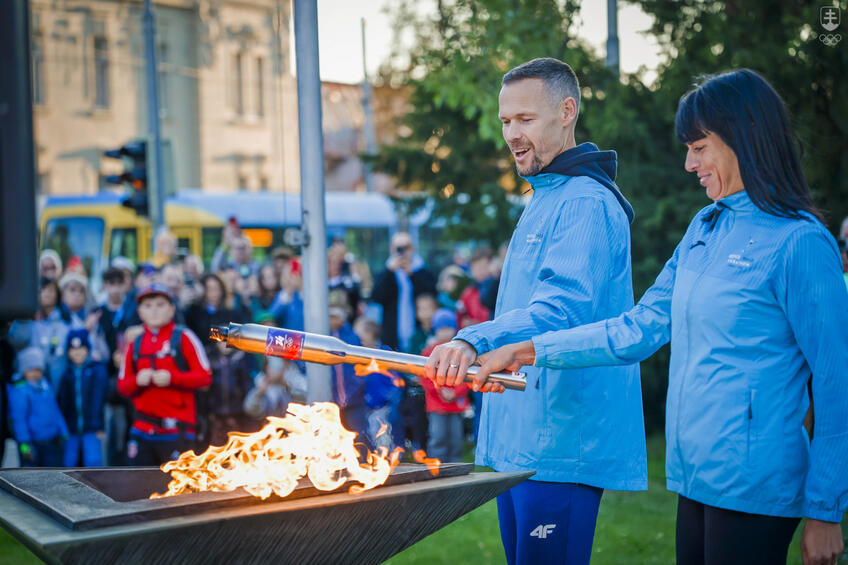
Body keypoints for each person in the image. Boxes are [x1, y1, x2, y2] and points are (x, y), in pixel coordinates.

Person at [471, 69, 848, 565]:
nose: (689, 163)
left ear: (746, 140)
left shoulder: (800, 242)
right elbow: (639, 327)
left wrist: (825, 511)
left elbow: (836, 380)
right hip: (692, 480)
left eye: (699, 147)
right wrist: (522, 350)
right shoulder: (704, 228)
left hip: (756, 482)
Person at [425, 57, 643, 565]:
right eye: (506, 121)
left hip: (560, 445)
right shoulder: (545, 197)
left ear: (567, 112)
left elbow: (561, 308)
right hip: (522, 443)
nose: (512, 134)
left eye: (525, 119)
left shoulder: (586, 201)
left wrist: (472, 339)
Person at [117, 284, 212, 466]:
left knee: (178, 490)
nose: (154, 311)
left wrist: (172, 378)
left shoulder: (184, 337)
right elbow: (122, 387)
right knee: (137, 488)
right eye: (148, 306)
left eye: (160, 304)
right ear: (140, 311)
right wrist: (137, 380)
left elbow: (205, 378)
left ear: (171, 309)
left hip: (178, 431)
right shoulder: (135, 343)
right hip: (142, 430)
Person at [370, 232, 437, 352]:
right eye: (398, 248)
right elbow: (376, 297)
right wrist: (389, 272)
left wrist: (411, 274)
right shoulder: (386, 273)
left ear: (412, 248)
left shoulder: (422, 271)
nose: (402, 252)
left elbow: (430, 293)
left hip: (418, 334)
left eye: (405, 247)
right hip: (392, 335)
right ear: (392, 249)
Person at [420, 309, 469, 463]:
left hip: (456, 404)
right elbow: (425, 377)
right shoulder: (429, 352)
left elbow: (468, 377)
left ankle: (455, 467)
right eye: (441, 329)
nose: (445, 332)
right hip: (437, 404)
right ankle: (436, 466)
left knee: (456, 437)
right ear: (436, 330)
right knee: (438, 436)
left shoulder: (461, 352)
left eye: (448, 328)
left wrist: (456, 392)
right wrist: (440, 391)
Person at [7, 347, 68, 467]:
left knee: (51, 474)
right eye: (31, 370)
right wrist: (24, 444)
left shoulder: (46, 387)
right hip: (32, 444)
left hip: (51, 441)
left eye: (38, 370)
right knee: (31, 476)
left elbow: (55, 411)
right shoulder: (20, 391)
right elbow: (19, 419)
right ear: (24, 370)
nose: (35, 374)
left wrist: (63, 430)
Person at [57, 329, 109, 467]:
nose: (77, 352)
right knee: (69, 462)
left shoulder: (97, 370)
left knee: (93, 462)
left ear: (88, 349)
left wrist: (100, 425)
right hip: (71, 427)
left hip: (92, 426)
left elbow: (100, 400)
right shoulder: (67, 373)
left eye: (81, 348)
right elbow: (62, 402)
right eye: (73, 349)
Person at [456, 247, 494, 329]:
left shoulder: (497, 288)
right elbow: (461, 316)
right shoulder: (468, 293)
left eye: (483, 267)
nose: (480, 271)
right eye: (476, 268)